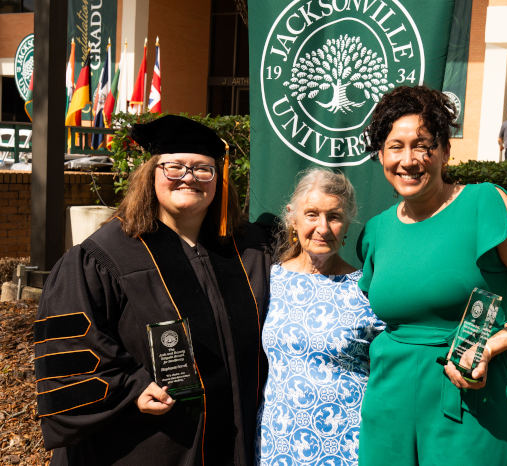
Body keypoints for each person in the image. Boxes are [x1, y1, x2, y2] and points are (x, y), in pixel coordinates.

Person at [34, 115, 271, 465]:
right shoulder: (103, 255)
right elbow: (69, 346)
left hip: (235, 442)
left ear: (219, 181)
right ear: (151, 174)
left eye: (203, 169)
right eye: (174, 167)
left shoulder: (248, 250)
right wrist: (131, 387)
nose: (189, 177)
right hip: (146, 443)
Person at [357, 86, 507, 465]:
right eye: (395, 146)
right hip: (388, 398)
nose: (408, 159)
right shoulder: (376, 230)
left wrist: (496, 343)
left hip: (471, 391)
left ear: (445, 151)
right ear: (381, 155)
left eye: (423, 145)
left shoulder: (485, 204)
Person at [255, 168, 385, 465]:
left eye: (334, 217)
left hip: (348, 444)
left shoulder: (366, 289)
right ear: (293, 217)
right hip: (278, 440)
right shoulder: (269, 280)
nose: (323, 228)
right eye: (312, 214)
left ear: (348, 222)